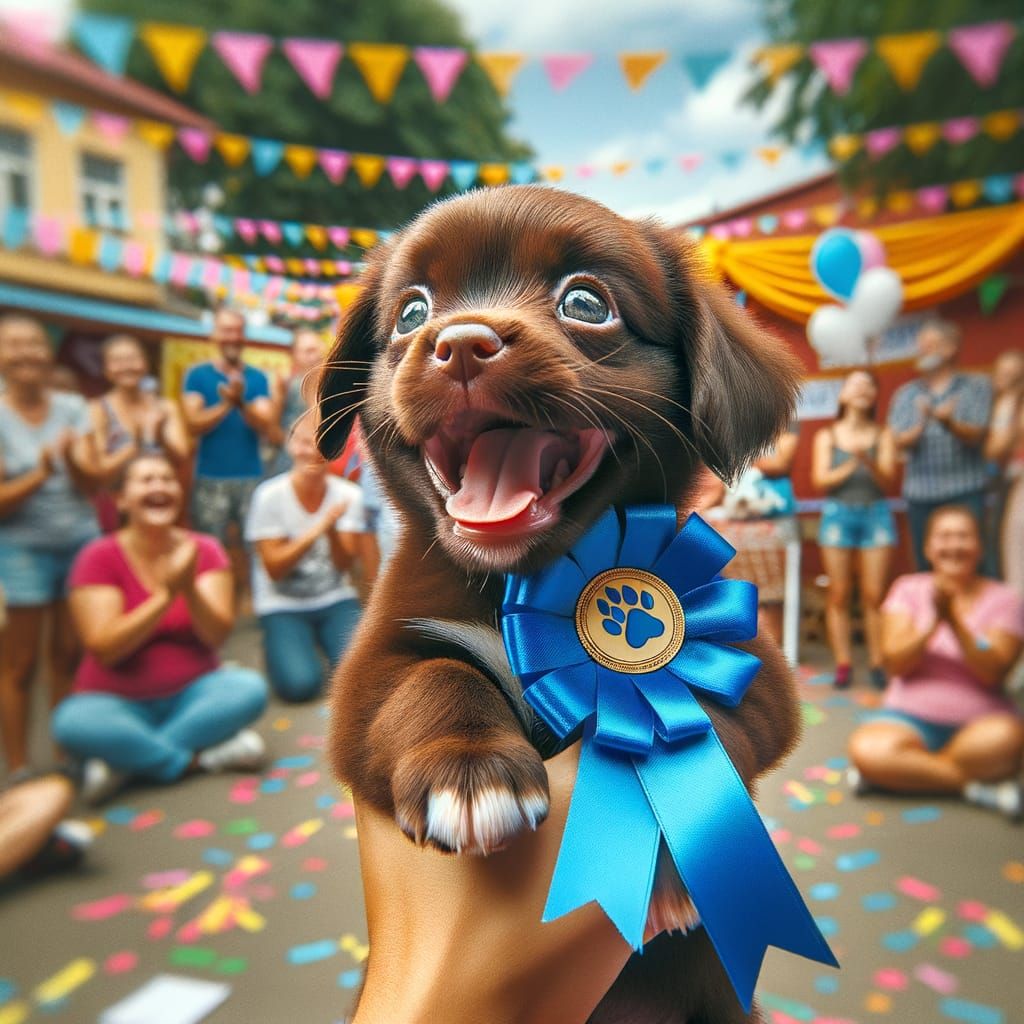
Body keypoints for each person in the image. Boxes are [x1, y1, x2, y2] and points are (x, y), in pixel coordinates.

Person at [51, 453, 268, 804]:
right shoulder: (97, 556)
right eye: (147, 480)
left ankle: (127, 764)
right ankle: (196, 759)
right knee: (71, 722)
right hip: (115, 703)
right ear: (121, 499)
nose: (160, 487)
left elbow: (216, 636)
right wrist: (166, 596)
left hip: (195, 694)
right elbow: (105, 648)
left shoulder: (205, 549)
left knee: (249, 689)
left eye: (167, 479)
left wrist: (188, 588)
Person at [848, 506, 1024, 821]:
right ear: (928, 547)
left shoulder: (1006, 599)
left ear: (980, 547)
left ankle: (901, 773)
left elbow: (992, 673)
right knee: (867, 749)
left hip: (982, 724)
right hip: (906, 718)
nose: (954, 545)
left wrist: (954, 621)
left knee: (1008, 741)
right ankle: (973, 787)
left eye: (963, 536)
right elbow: (895, 664)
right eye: (944, 536)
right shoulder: (907, 588)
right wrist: (933, 623)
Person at [0, 314, 101, 773]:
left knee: (67, 655)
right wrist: (41, 472)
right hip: (21, 549)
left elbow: (92, 483)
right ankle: (19, 767)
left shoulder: (73, 408)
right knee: (20, 664)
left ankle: (66, 754)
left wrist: (75, 462)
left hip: (79, 539)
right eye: (14, 344)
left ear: (49, 353)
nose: (27, 353)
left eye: (35, 344)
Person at [245, 416, 379, 702]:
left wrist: (331, 533)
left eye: (321, 444)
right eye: (304, 442)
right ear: (291, 446)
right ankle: (284, 645)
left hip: (334, 598)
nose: (312, 452)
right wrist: (319, 527)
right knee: (300, 686)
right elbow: (274, 569)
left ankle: (315, 641)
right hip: (281, 602)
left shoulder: (349, 495)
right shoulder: (268, 496)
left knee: (362, 676)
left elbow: (343, 565)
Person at [812, 370, 897, 690]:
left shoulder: (883, 434)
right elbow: (821, 481)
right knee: (839, 593)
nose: (862, 389)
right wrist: (852, 463)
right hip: (838, 515)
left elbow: (887, 481)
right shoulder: (827, 436)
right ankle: (844, 663)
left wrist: (869, 461)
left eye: (869, 385)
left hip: (876, 514)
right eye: (855, 384)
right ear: (843, 395)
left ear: (874, 397)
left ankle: (877, 662)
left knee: (874, 594)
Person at [181, 309, 275, 588]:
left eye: (237, 331)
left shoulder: (257, 378)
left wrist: (240, 403)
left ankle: (252, 601)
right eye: (226, 330)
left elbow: (266, 423)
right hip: (209, 479)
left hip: (251, 478)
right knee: (210, 551)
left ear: (244, 336)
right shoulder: (197, 376)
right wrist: (226, 404)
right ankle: (214, 600)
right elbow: (193, 424)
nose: (232, 337)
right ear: (214, 335)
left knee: (255, 548)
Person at [888, 319, 992, 571]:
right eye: (920, 346)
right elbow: (896, 442)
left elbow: (978, 435)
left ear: (950, 347)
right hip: (920, 495)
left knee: (971, 566)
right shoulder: (906, 393)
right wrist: (921, 425)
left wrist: (949, 423)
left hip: (966, 490)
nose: (921, 351)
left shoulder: (976, 386)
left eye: (929, 345)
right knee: (925, 567)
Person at [710, 422, 800, 643]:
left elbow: (779, 464)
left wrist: (741, 454)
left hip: (774, 529)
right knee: (740, 595)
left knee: (774, 597)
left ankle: (773, 650)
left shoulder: (785, 436)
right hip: (737, 533)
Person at [89, 334, 190, 531]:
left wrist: (160, 436)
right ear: (106, 370)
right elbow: (100, 469)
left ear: (145, 364)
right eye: (117, 361)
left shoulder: (165, 407)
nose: (126, 366)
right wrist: (135, 444)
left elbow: (181, 457)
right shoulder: (98, 409)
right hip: (116, 508)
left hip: (158, 504)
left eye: (132, 359)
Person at [985, 350, 1024, 588]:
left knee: (1014, 551)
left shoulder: (1010, 405)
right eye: (1001, 372)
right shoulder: (994, 404)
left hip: (1017, 482)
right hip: (1000, 484)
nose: (1005, 378)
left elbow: (996, 448)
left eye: (1013, 374)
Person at [266, 327, 325, 475]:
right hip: (288, 465)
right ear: (294, 355)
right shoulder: (286, 386)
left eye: (317, 350)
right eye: (308, 351)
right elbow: (273, 433)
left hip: (321, 467)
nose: (315, 356)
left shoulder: (331, 388)